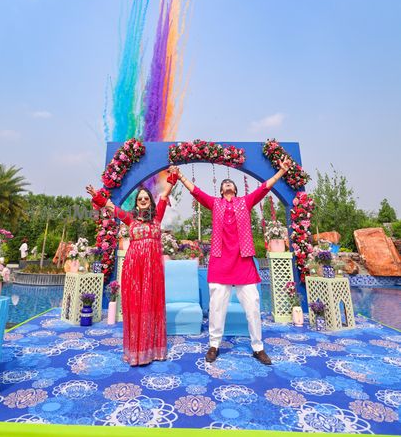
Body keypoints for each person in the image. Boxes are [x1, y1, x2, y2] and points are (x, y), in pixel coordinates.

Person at [170, 157, 291, 365]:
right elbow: (196, 192)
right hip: (220, 261)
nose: (227, 184)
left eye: (230, 183)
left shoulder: (245, 202)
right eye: (224, 183)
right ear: (221, 191)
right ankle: (214, 345)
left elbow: (264, 188)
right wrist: (180, 176)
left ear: (235, 189)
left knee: (253, 306)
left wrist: (281, 172)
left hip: (244, 261)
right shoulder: (215, 203)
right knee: (217, 306)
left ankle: (258, 347)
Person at [86, 172, 177, 366]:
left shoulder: (157, 217)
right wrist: (96, 196)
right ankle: (136, 351)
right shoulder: (130, 219)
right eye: (140, 199)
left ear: (150, 202)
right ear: (136, 203)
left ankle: (152, 349)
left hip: (153, 270)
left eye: (146, 198)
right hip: (134, 267)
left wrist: (174, 177)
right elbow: (111, 206)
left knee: (152, 305)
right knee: (136, 305)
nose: (143, 200)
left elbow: (164, 194)